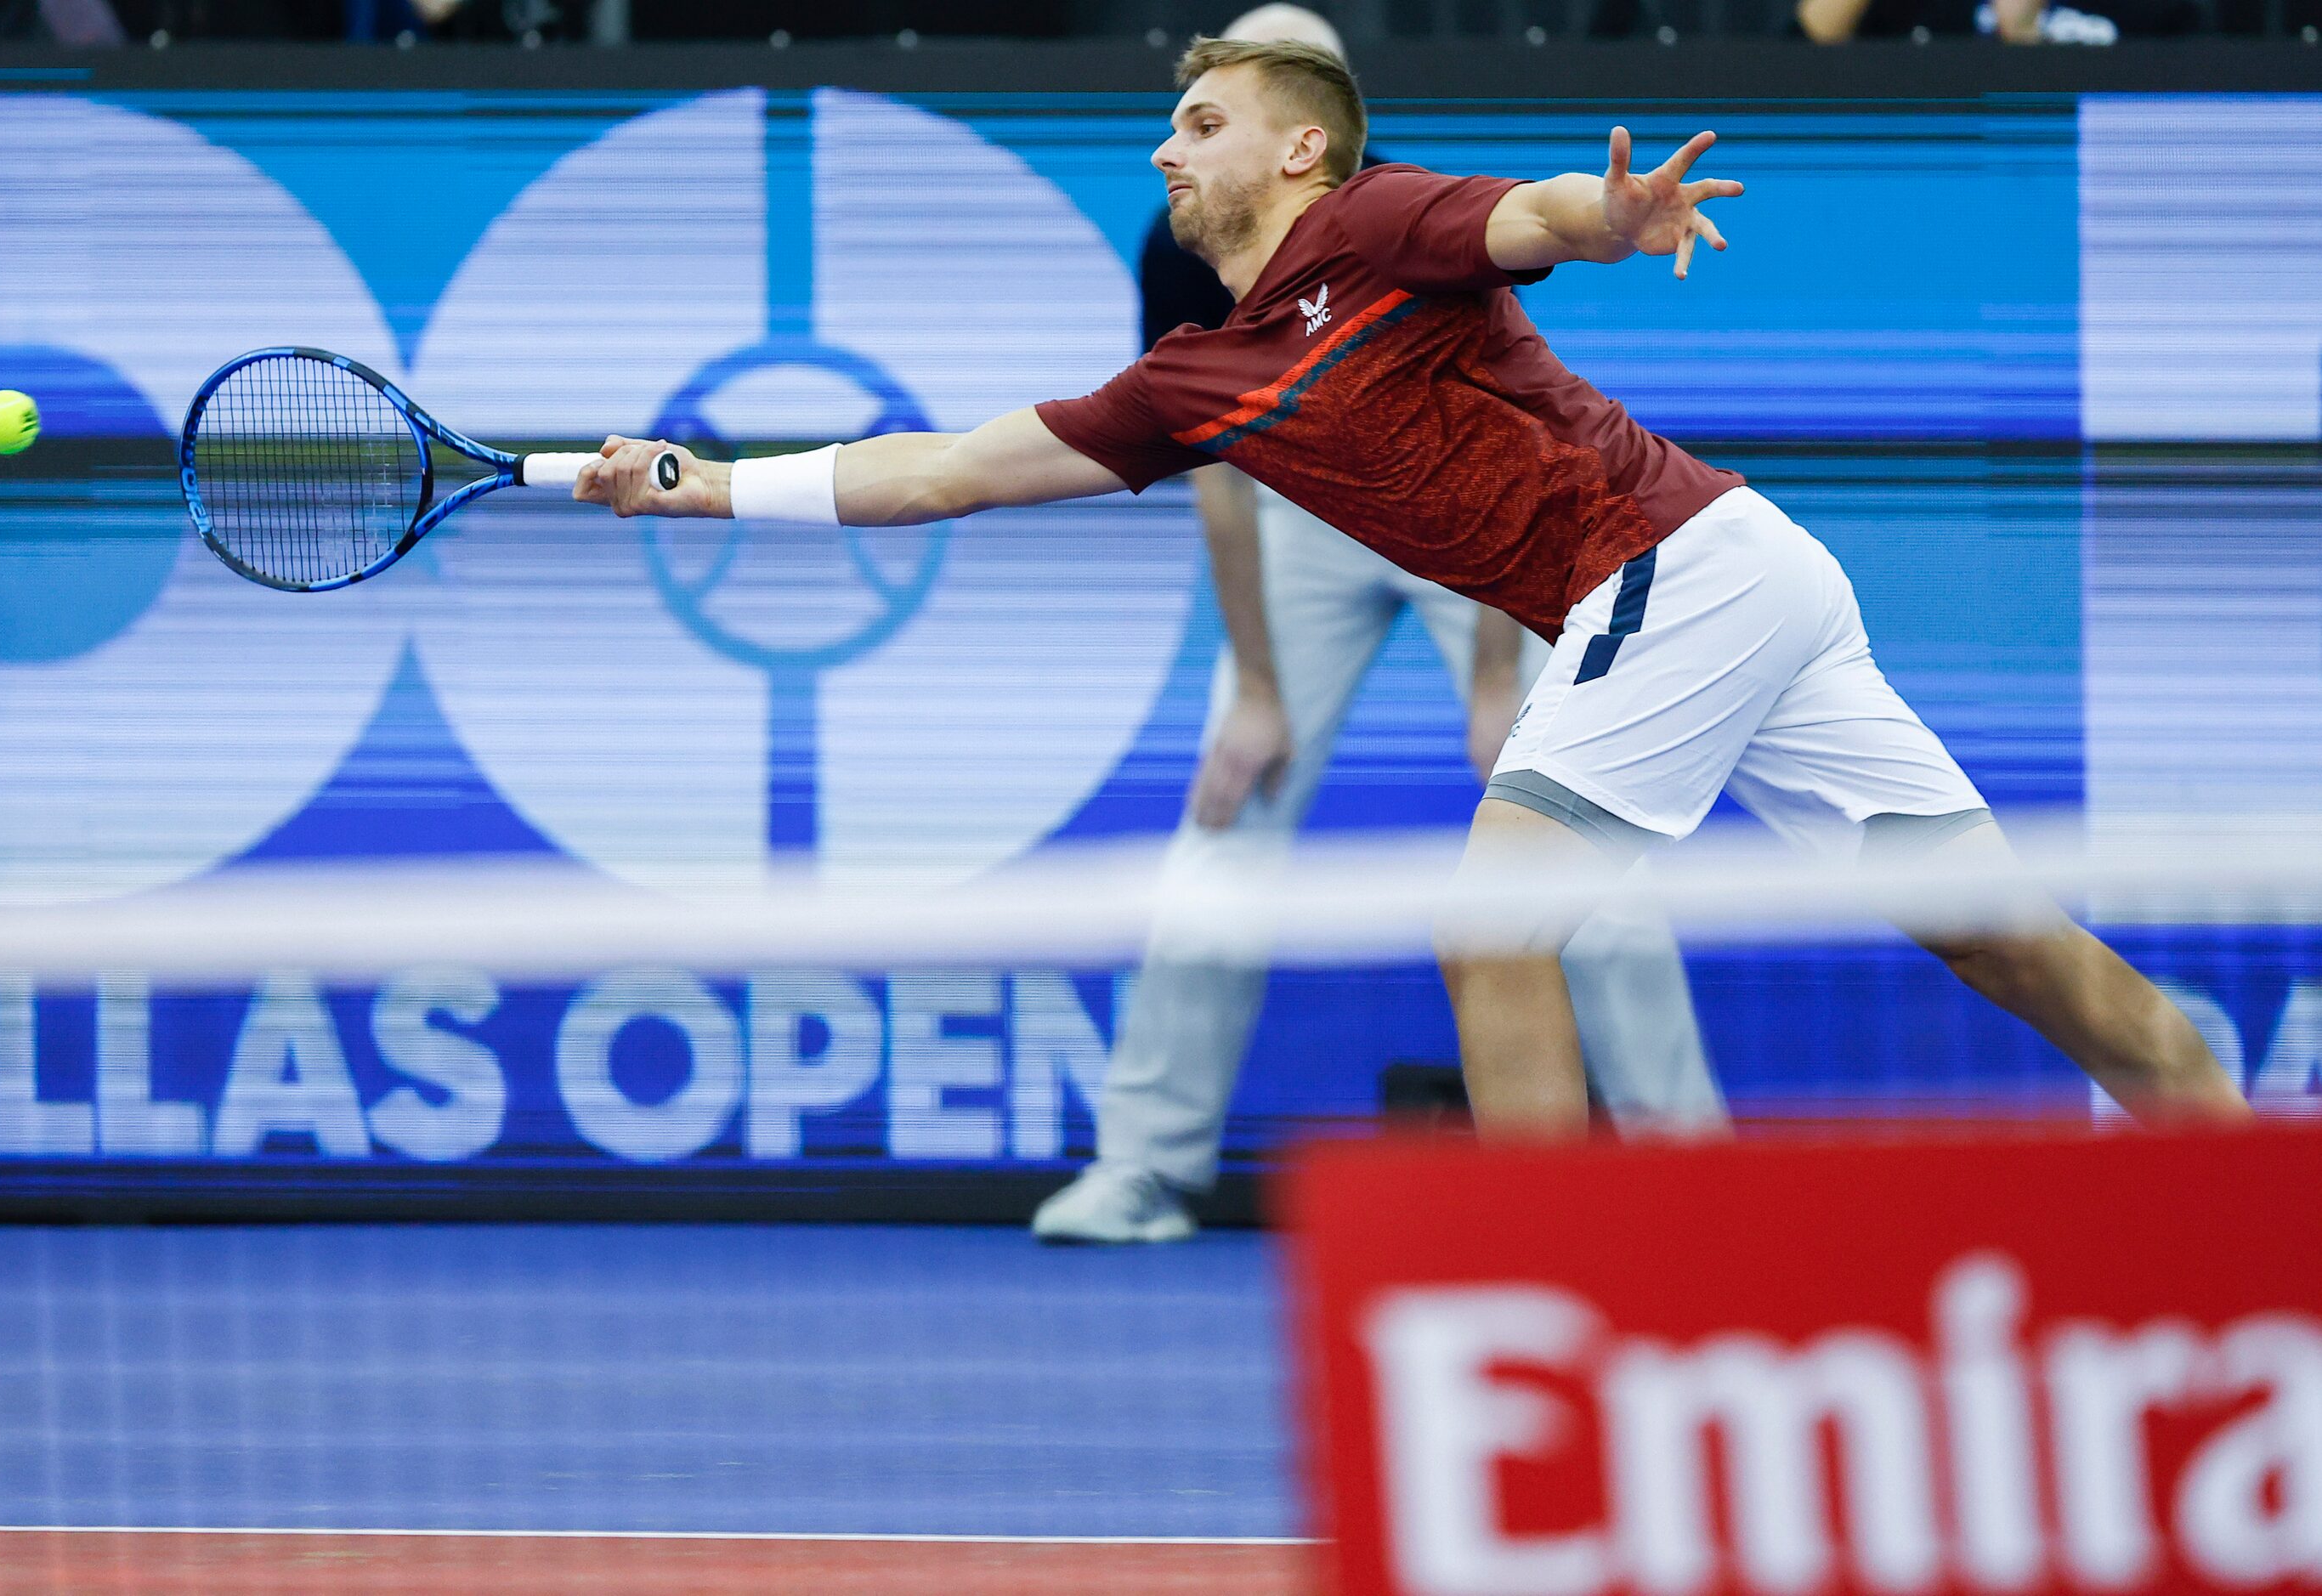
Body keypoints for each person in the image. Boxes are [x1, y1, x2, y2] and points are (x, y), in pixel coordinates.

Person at [576, 37, 2252, 1140]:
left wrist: (1616, 214)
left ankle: (1550, 1311)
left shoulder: (1373, 224)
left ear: (1301, 146)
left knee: (1486, 922)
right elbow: (936, 470)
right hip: (1747, 582)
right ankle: (2229, 1169)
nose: (1169, 150)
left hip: (1674, 573)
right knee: (2003, 945)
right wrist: (704, 480)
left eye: (1202, 120)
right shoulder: (1191, 384)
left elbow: (1531, 216)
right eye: (1170, 126)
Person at [1029, 1, 1725, 1246]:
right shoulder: (1180, 237)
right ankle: (1142, 1166)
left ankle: (1687, 1165)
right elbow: (1212, 468)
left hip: (1462, 509)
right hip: (1297, 509)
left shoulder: (1398, 211)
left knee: (1579, 838)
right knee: (1222, 830)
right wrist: (1252, 684)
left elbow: (1504, 469)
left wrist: (1495, 685)